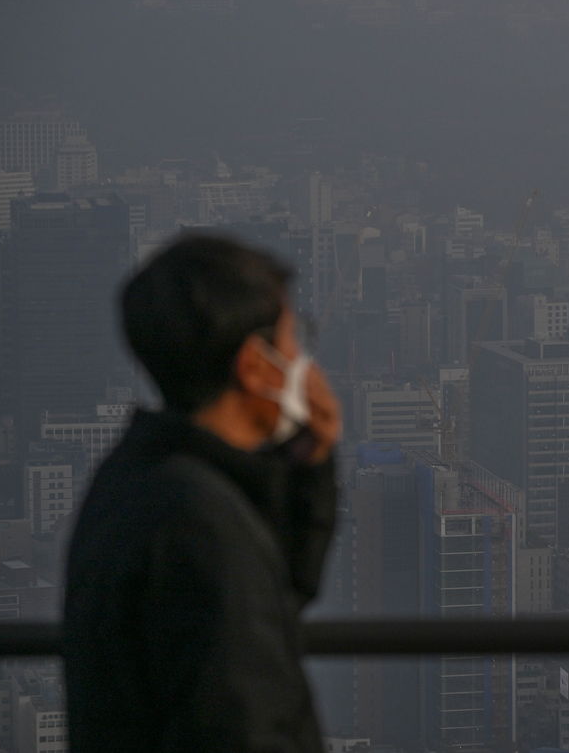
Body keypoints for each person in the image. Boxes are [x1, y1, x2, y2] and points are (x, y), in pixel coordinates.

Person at [64, 233, 341, 753]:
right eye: (292, 339)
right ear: (256, 367)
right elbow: (239, 725)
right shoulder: (197, 525)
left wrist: (309, 466)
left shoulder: (141, 480)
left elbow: (263, 603)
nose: (302, 358)